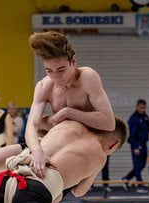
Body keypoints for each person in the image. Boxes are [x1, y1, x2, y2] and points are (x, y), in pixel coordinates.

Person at [26, 31, 115, 177]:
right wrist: (36, 151)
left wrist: (69, 112)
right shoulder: (44, 86)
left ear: (73, 61)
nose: (56, 77)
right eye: (49, 71)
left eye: (61, 70)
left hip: (85, 144)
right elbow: (31, 125)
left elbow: (109, 123)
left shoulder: (87, 77)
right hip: (57, 139)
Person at [123, 99, 149, 192]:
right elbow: (132, 134)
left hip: (143, 144)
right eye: (141, 107)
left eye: (144, 108)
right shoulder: (133, 119)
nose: (143, 109)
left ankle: (126, 178)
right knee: (137, 164)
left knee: (142, 164)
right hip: (137, 144)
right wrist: (135, 147)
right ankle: (139, 184)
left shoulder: (145, 117)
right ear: (137, 107)